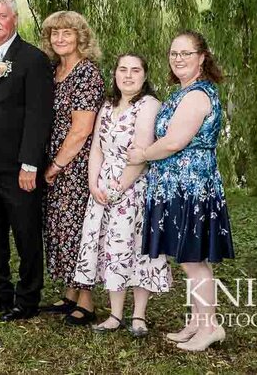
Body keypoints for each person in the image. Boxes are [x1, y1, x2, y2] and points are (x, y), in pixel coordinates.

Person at [128, 30, 235, 351]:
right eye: (174, 53)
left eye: (186, 53)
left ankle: (210, 327)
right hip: (175, 187)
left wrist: (142, 155)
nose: (178, 59)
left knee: (194, 260)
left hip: (191, 188)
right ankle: (197, 322)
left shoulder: (197, 95)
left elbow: (175, 141)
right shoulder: (181, 91)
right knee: (191, 259)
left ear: (202, 57)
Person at [73, 53, 171, 336]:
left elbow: (141, 154)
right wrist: (94, 184)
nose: (128, 75)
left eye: (135, 70)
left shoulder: (149, 105)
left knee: (138, 248)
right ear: (115, 74)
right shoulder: (107, 105)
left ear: (144, 75)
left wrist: (118, 187)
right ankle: (115, 314)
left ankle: (138, 316)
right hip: (103, 187)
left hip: (134, 187)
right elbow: (96, 149)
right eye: (123, 70)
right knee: (112, 249)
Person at [0, 0, 53, 322]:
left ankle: (28, 298)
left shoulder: (32, 59)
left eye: (1, 16)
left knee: (26, 234)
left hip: (19, 167)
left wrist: (30, 163)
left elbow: (38, 115)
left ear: (14, 19)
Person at [40, 10, 104, 326]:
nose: (61, 39)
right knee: (59, 229)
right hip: (54, 158)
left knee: (78, 229)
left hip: (75, 164)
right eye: (55, 33)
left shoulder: (87, 74)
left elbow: (81, 129)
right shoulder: (54, 70)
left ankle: (87, 301)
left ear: (81, 37)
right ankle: (69, 293)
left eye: (67, 33)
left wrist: (55, 166)